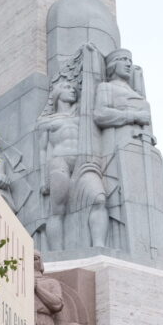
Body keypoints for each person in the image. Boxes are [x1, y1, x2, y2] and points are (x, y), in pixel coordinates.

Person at [36, 74, 108, 250]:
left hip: (84, 162)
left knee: (99, 199)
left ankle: (99, 246)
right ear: (57, 94)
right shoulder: (46, 121)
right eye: (67, 88)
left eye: (74, 89)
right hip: (59, 161)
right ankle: (57, 252)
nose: (72, 91)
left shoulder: (83, 116)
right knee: (58, 210)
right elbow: (42, 150)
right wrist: (43, 179)